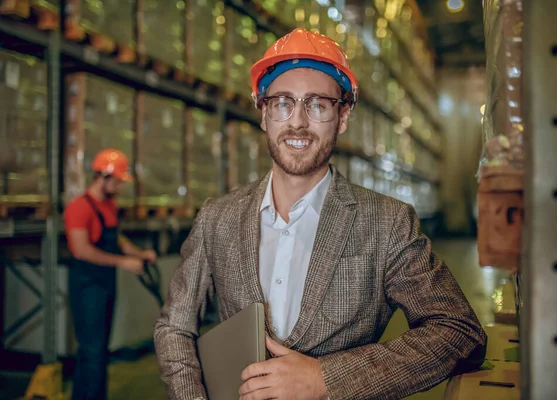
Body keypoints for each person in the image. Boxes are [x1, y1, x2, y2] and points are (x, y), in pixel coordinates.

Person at [155, 28, 486, 400]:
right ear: (264, 114)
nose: (297, 122)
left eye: (317, 105)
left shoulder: (387, 222)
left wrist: (326, 378)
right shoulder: (218, 217)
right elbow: (175, 327)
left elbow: (459, 331)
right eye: (283, 102)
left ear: (342, 116)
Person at [64, 149, 157, 400]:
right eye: (117, 181)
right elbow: (81, 250)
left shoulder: (109, 206)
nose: (119, 186)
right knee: (91, 351)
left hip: (105, 283)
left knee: (99, 351)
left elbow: (116, 238)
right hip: (87, 284)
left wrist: (138, 254)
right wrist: (123, 263)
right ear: (103, 176)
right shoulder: (78, 208)